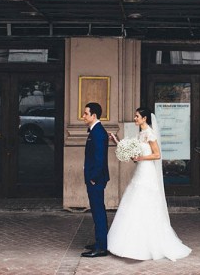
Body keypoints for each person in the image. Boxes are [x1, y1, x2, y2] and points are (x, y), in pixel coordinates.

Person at [107, 107, 191, 261]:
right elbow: (135, 155)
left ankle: (147, 245)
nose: (135, 118)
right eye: (135, 116)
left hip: (147, 172)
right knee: (134, 203)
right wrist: (117, 142)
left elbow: (157, 154)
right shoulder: (140, 134)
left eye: (137, 116)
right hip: (140, 170)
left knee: (144, 203)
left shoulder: (150, 133)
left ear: (145, 118)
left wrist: (141, 159)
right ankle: (129, 243)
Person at [81, 102, 110, 258]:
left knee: (98, 212)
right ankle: (100, 242)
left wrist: (93, 177)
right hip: (95, 178)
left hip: (96, 180)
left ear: (94, 116)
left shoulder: (98, 132)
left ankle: (101, 247)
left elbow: (99, 159)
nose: (83, 116)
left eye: (86, 113)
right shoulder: (95, 131)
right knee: (97, 211)